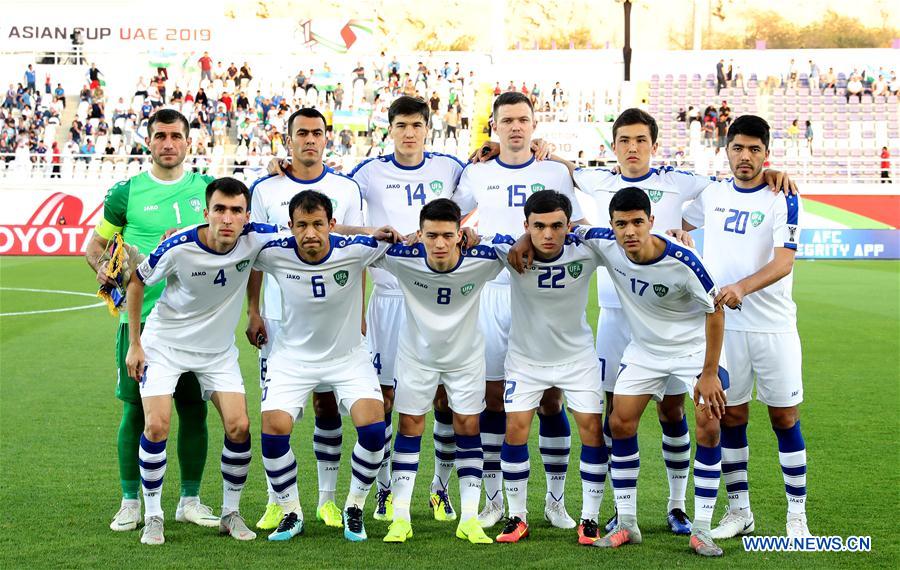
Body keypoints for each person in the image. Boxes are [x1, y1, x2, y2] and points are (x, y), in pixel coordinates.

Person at [552, 108, 795, 537]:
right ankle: (620, 511)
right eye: (624, 141)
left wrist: (767, 169)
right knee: (618, 415)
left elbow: (738, 182)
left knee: (672, 409)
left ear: (654, 144)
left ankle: (678, 506)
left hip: (675, 314)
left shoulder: (678, 181)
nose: (632, 148)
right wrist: (508, 146)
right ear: (613, 146)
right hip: (617, 314)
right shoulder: (596, 181)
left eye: (641, 140)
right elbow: (559, 169)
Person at [572, 187, 728, 557]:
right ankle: (627, 523)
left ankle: (702, 528)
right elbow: (565, 229)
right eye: (621, 224)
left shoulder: (683, 260)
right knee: (620, 422)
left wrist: (708, 373)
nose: (629, 231)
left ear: (651, 223)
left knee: (709, 424)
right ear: (611, 226)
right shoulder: (604, 243)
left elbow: (716, 310)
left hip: (692, 351)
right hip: (644, 351)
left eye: (637, 222)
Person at [457, 91, 586, 530]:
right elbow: (447, 217)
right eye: (507, 120)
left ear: (535, 125)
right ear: (494, 126)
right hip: (493, 292)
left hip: (543, 297)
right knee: (495, 400)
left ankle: (555, 500)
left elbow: (579, 223)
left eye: (523, 120)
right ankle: (496, 499)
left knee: (552, 399)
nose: (515, 127)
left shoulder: (555, 170)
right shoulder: (476, 171)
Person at [84, 109, 218, 535]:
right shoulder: (127, 193)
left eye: (175, 136)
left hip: (196, 323)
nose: (168, 143)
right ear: (149, 142)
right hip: (140, 325)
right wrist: (106, 271)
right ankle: (130, 502)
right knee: (137, 415)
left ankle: (190, 502)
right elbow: (96, 246)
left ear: (188, 143)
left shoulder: (206, 189)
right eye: (160, 136)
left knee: (194, 413)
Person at [124, 177, 278, 545]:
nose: (227, 218)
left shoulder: (257, 237)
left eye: (236, 211)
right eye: (220, 210)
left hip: (217, 350)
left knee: (240, 427)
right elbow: (136, 281)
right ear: (206, 213)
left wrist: (253, 310)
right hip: (165, 344)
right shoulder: (178, 246)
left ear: (247, 215)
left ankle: (230, 512)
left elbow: (310, 233)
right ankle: (154, 515)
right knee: (157, 427)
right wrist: (135, 344)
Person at [681, 114, 810, 539]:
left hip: (773, 327)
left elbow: (784, 261)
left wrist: (742, 287)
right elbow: (678, 221)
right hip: (725, 329)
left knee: (784, 417)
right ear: (726, 150)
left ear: (767, 154)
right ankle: (740, 511)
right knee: (731, 416)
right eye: (738, 148)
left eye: (756, 149)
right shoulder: (712, 194)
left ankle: (796, 515)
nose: (746, 156)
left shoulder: (783, 198)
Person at [253, 190, 398, 542]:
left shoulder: (355, 250)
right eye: (301, 225)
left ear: (332, 225)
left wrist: (389, 233)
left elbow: (407, 242)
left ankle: (354, 506)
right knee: (272, 432)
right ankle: (291, 512)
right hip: (291, 359)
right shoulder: (274, 252)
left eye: (318, 224)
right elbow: (232, 234)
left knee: (374, 430)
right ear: (290, 226)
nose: (310, 233)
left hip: (348, 357)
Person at [246, 108, 365, 531]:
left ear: (326, 138)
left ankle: (329, 500)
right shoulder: (265, 187)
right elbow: (256, 253)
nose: (309, 139)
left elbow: (357, 255)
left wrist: (363, 315)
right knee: (276, 412)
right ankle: (278, 501)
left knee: (327, 403)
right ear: (288, 139)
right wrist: (254, 310)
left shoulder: (346, 188)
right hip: (281, 318)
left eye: (317, 132)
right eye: (302, 133)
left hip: (334, 322)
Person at [373, 199, 498, 545]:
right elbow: (358, 249)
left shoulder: (482, 260)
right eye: (431, 235)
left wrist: (482, 233)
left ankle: (469, 519)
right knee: (410, 427)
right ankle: (400, 518)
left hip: (466, 359)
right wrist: (378, 234)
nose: (439, 244)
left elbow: (517, 244)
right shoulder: (403, 258)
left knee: (468, 427)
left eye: (447, 235)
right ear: (420, 233)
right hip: (416, 357)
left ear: (460, 234)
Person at [489, 191, 607, 545]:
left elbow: (623, 235)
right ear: (525, 226)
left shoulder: (586, 249)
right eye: (538, 227)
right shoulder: (508, 250)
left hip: (578, 359)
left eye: (557, 226)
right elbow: (470, 237)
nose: (548, 234)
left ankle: (589, 518)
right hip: (525, 360)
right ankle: (516, 517)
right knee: (515, 430)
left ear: (569, 226)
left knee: (591, 430)